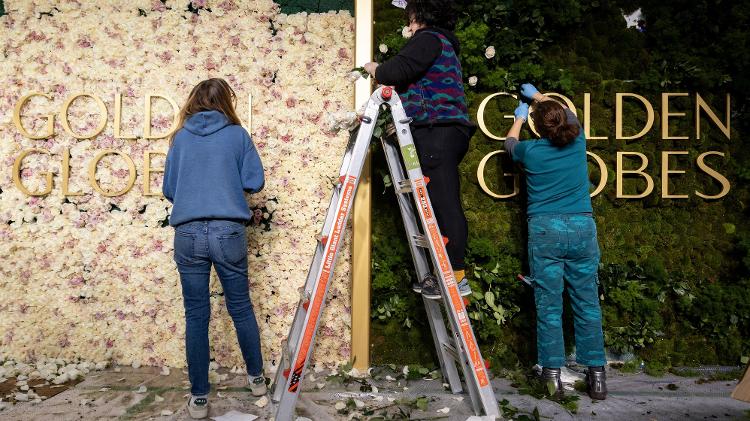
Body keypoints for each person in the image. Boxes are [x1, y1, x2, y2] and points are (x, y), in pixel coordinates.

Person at [163, 78, 267, 419]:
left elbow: (170, 189)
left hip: (188, 232)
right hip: (227, 230)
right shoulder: (238, 135)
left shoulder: (180, 138)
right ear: (227, 101)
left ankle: (199, 398)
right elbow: (254, 182)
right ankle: (257, 381)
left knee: (196, 315)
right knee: (240, 307)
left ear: (193, 101)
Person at [363, 0, 474, 299]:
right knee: (438, 201)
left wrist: (374, 68)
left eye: (411, 18)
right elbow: (417, 79)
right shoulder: (442, 44)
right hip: (441, 129)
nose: (409, 25)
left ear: (421, 15)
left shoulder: (428, 39)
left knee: (443, 202)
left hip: (437, 129)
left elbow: (395, 70)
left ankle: (456, 276)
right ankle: (446, 273)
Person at [504, 83, 607, 400]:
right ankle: (598, 379)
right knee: (587, 304)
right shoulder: (578, 142)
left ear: (538, 128)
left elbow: (509, 144)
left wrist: (521, 116)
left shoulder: (531, 151)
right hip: (580, 228)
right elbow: (569, 114)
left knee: (549, 306)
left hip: (546, 231)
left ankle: (552, 379)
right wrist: (538, 97)